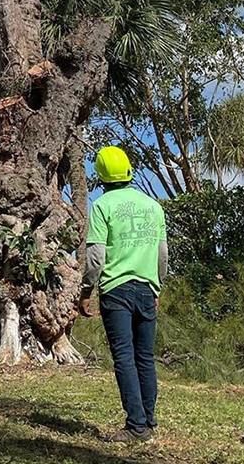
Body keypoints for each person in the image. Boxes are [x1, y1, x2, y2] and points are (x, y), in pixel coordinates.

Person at [79, 146, 168, 444]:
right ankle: (149, 422)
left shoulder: (102, 206)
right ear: (129, 170)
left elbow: (95, 257)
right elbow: (162, 255)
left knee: (125, 358)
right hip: (146, 288)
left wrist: (86, 290)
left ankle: (136, 427)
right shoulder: (153, 207)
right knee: (145, 356)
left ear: (100, 176)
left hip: (116, 291)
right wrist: (157, 286)